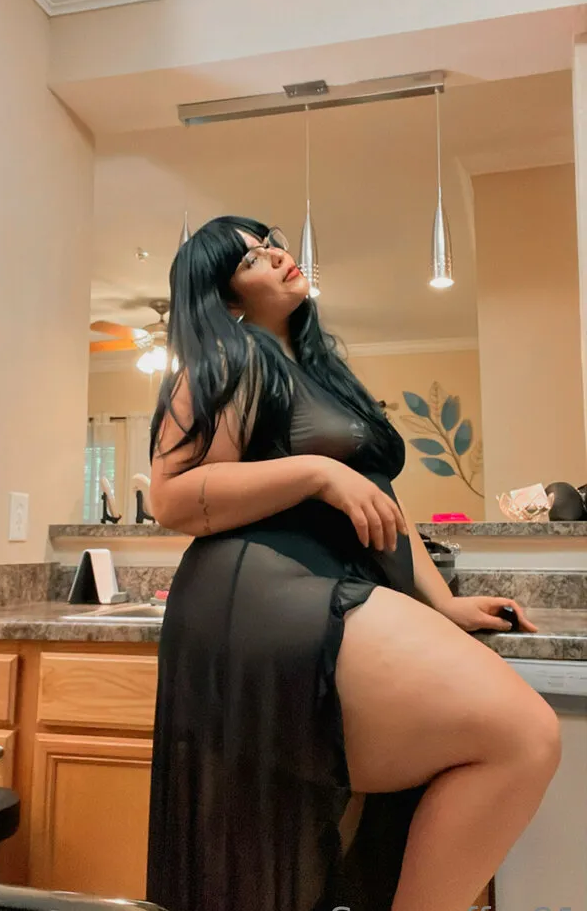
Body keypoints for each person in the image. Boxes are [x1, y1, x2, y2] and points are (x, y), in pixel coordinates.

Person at [146, 216, 561, 911]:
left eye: (271, 243)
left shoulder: (317, 372)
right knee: (523, 736)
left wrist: (442, 603)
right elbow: (172, 497)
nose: (275, 256)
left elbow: (383, 504)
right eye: (250, 260)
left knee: (504, 748)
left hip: (324, 587)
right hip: (260, 591)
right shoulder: (230, 359)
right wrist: (317, 473)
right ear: (226, 299)